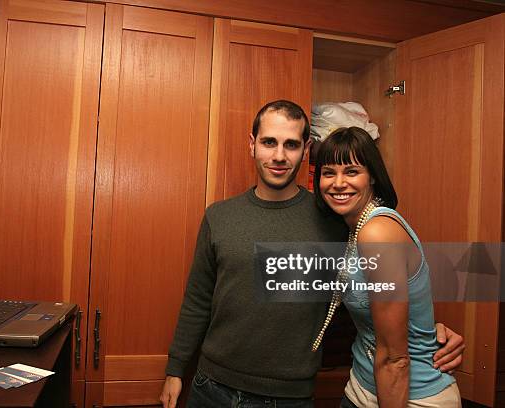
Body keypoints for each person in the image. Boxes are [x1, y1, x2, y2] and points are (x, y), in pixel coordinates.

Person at [160, 101, 464, 408]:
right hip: (210, 386)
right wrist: (176, 368)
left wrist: (429, 333)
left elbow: (396, 281)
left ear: (306, 151)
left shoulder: (336, 222)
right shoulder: (219, 217)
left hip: (288, 397)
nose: (279, 156)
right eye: (269, 142)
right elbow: (198, 299)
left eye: (291, 144)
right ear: (253, 145)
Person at [314, 127, 462, 407]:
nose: (338, 183)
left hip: (414, 397)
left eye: (352, 171)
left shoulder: (377, 231)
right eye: (329, 173)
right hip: (361, 385)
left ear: (372, 177)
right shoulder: (353, 229)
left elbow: (396, 359)